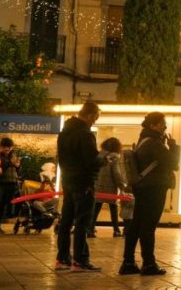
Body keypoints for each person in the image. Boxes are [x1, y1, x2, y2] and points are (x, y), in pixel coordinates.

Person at [120, 111, 180, 276]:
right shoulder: (154, 143)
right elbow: (174, 163)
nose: (165, 125)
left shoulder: (143, 140)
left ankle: (128, 262)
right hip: (153, 188)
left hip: (143, 187)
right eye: (162, 123)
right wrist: (174, 147)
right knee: (148, 226)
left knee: (136, 225)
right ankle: (148, 263)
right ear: (153, 125)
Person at [56, 101, 105, 271]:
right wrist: (105, 159)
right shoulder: (85, 134)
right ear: (90, 115)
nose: (95, 121)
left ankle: (62, 259)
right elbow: (91, 160)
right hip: (84, 183)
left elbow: (61, 158)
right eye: (96, 117)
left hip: (68, 181)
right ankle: (81, 260)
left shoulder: (64, 132)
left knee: (66, 221)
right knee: (83, 222)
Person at [92, 137, 128, 238]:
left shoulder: (99, 155)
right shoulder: (115, 157)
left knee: (96, 208)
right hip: (110, 187)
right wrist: (122, 185)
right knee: (113, 208)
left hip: (97, 186)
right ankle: (116, 230)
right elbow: (116, 173)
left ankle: (90, 228)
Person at [0, 137, 21, 232]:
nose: (8, 149)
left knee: (11, 204)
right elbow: (2, 167)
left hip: (13, 182)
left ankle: (9, 219)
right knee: (0, 205)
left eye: (10, 147)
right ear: (1, 147)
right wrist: (10, 163)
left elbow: (16, 169)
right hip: (2, 183)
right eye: (6, 147)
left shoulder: (13, 155)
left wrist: (18, 165)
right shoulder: (0, 156)